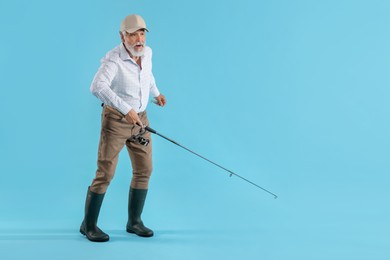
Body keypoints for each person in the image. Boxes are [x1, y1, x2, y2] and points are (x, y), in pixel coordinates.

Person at [80, 14, 166, 242]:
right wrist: (125, 108)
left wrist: (156, 94)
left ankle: (134, 222)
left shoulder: (147, 53)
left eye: (142, 33)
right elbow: (96, 86)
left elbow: (147, 75)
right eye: (132, 34)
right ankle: (88, 225)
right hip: (116, 122)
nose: (139, 39)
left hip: (140, 121)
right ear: (122, 36)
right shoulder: (113, 60)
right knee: (105, 173)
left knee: (144, 169)